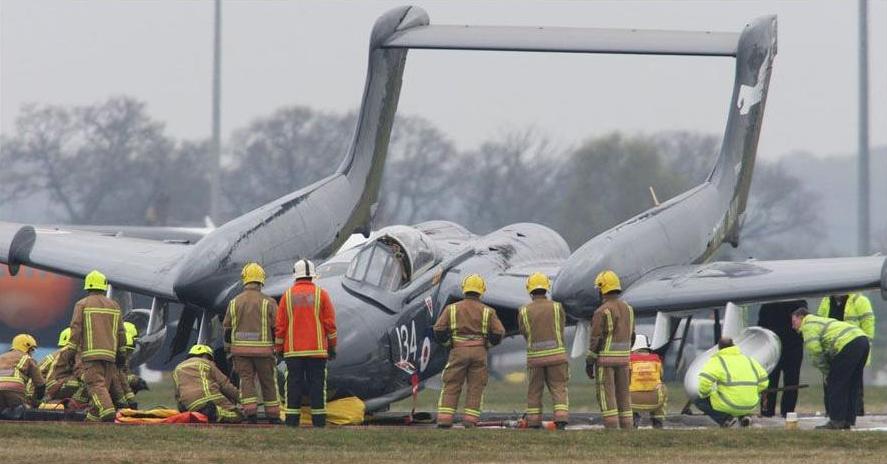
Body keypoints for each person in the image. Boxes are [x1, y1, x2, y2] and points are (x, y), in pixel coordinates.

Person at [433, 274, 505, 428]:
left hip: (458, 351)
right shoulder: (488, 311)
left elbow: (438, 329)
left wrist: (448, 343)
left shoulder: (451, 309)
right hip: (479, 352)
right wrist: (487, 344)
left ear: (464, 289)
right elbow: (499, 332)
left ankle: (445, 420)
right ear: (481, 291)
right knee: (475, 387)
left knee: (451, 384)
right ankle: (470, 421)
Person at [275, 258, 337, 428]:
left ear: (296, 276)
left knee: (293, 387)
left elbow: (280, 326)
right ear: (312, 276)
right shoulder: (321, 294)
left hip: (293, 352)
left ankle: (292, 422)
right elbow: (330, 324)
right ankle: (318, 423)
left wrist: (279, 348)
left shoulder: (287, 296)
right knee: (317, 387)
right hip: (317, 351)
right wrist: (332, 346)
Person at [792, 307, 869, 429]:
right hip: (862, 340)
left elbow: (815, 351)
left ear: (802, 318)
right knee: (852, 384)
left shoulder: (808, 325)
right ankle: (848, 420)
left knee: (835, 383)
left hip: (848, 344)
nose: (793, 326)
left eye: (794, 322)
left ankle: (836, 421)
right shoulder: (820, 320)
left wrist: (828, 372)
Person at [224, 262, 281, 424]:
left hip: (240, 352)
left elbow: (227, 329)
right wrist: (278, 348)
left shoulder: (234, 302)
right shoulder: (268, 302)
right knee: (268, 382)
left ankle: (250, 415)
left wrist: (229, 349)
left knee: (246, 381)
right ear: (261, 280)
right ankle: (273, 416)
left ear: (245, 279)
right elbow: (277, 327)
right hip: (264, 352)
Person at [67, 270, 128, 422]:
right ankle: (90, 422)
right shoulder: (114, 305)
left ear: (88, 286)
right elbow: (121, 332)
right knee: (102, 391)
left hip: (91, 356)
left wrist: (70, 353)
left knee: (95, 386)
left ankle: (108, 413)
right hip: (110, 356)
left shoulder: (82, 304)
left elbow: (76, 329)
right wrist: (121, 356)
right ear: (104, 286)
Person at [518, 272, 569, 430]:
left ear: (529, 289)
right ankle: (561, 419)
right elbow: (560, 328)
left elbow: (525, 332)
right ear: (547, 288)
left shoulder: (524, 311)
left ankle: (533, 422)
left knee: (534, 390)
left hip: (535, 358)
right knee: (558, 387)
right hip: (557, 356)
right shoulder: (556, 307)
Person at [586, 270, 635, 430]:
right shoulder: (629, 309)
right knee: (624, 395)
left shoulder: (602, 311)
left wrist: (590, 361)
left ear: (602, 289)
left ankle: (612, 428)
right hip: (624, 360)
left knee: (607, 395)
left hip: (606, 361)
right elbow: (632, 335)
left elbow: (596, 339)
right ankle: (627, 427)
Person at [817, 293, 874, 416]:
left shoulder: (859, 300)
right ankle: (831, 411)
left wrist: (865, 344)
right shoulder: (826, 301)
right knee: (830, 381)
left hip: (852, 345)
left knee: (854, 382)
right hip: (831, 348)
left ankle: (856, 411)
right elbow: (820, 322)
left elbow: (868, 323)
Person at [695, 338, 768, 428]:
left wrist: (705, 394)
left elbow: (705, 381)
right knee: (739, 397)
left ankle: (726, 419)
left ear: (719, 348)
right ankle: (744, 417)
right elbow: (764, 381)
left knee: (699, 400)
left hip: (729, 404)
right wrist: (753, 392)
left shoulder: (718, 361)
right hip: (750, 404)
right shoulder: (749, 360)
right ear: (733, 345)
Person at [757, 300, 805, 417]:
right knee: (791, 381)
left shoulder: (768, 303)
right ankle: (787, 413)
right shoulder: (798, 301)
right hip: (791, 346)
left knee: (770, 381)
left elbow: (761, 325)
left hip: (773, 347)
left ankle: (767, 411)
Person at [173, 344, 242, 423]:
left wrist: (184, 412)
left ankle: (205, 413)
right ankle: (215, 413)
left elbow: (178, 395)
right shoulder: (207, 363)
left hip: (190, 405)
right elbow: (226, 385)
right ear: (205, 355)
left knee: (202, 412)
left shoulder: (178, 368)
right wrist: (244, 400)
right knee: (237, 415)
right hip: (208, 398)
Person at [629, 334, 667, 429]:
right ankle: (657, 421)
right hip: (655, 402)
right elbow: (661, 375)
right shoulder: (656, 360)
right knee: (662, 388)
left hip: (632, 402)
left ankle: (633, 418)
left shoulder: (628, 360)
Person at [0, 334, 45, 413]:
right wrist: (35, 402)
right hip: (14, 390)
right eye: (31, 350)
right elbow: (40, 385)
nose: (32, 352)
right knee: (19, 412)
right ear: (26, 348)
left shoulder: (1, 357)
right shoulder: (28, 359)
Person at [42, 328, 86, 403]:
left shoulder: (54, 355)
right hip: (58, 386)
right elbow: (79, 371)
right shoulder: (75, 352)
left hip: (50, 389)